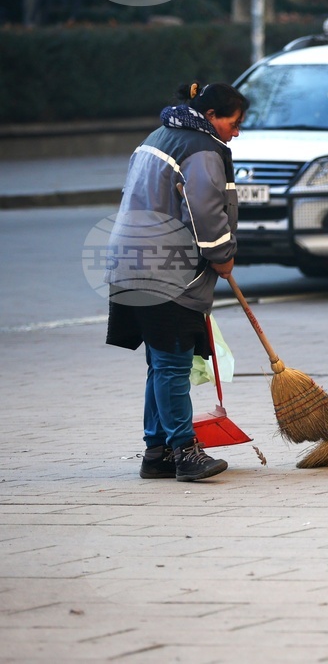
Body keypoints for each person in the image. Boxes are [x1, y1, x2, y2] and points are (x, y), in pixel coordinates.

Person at [106, 82, 249, 483]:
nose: (236, 132)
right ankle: (185, 452)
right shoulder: (201, 149)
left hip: (131, 261)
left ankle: (158, 453)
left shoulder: (159, 136)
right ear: (210, 116)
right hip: (166, 270)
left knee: (160, 363)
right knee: (171, 362)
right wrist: (222, 254)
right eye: (233, 122)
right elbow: (204, 209)